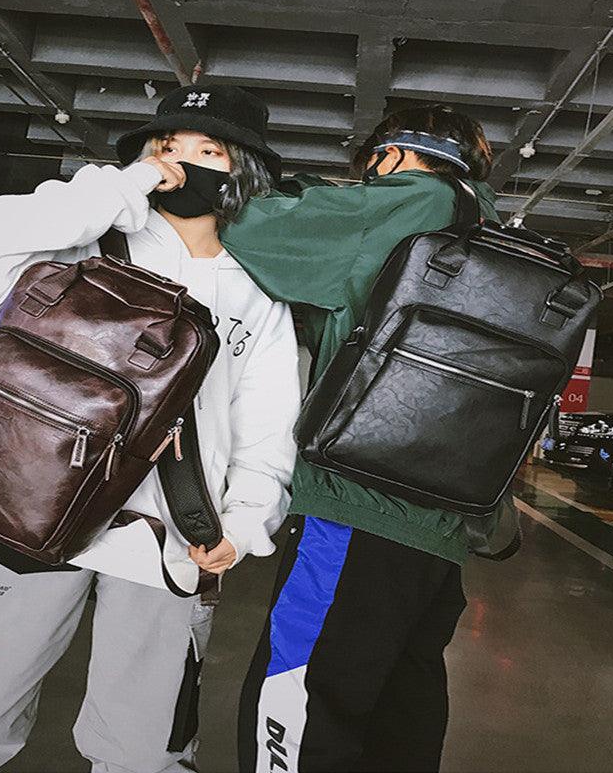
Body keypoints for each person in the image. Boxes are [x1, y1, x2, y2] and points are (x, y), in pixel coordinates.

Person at [0, 84, 301, 773]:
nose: (181, 163)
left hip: (166, 533)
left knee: (144, 748)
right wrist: (125, 186)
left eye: (208, 151)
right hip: (17, 506)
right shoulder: (79, 242)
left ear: (243, 171)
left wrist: (247, 516)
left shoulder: (255, 290)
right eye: (165, 147)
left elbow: (265, 417)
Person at [220, 104, 498, 773]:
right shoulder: (484, 228)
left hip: (357, 507)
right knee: (399, 716)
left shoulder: (411, 202)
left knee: (302, 703)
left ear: (393, 154)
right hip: (440, 530)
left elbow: (254, 228)